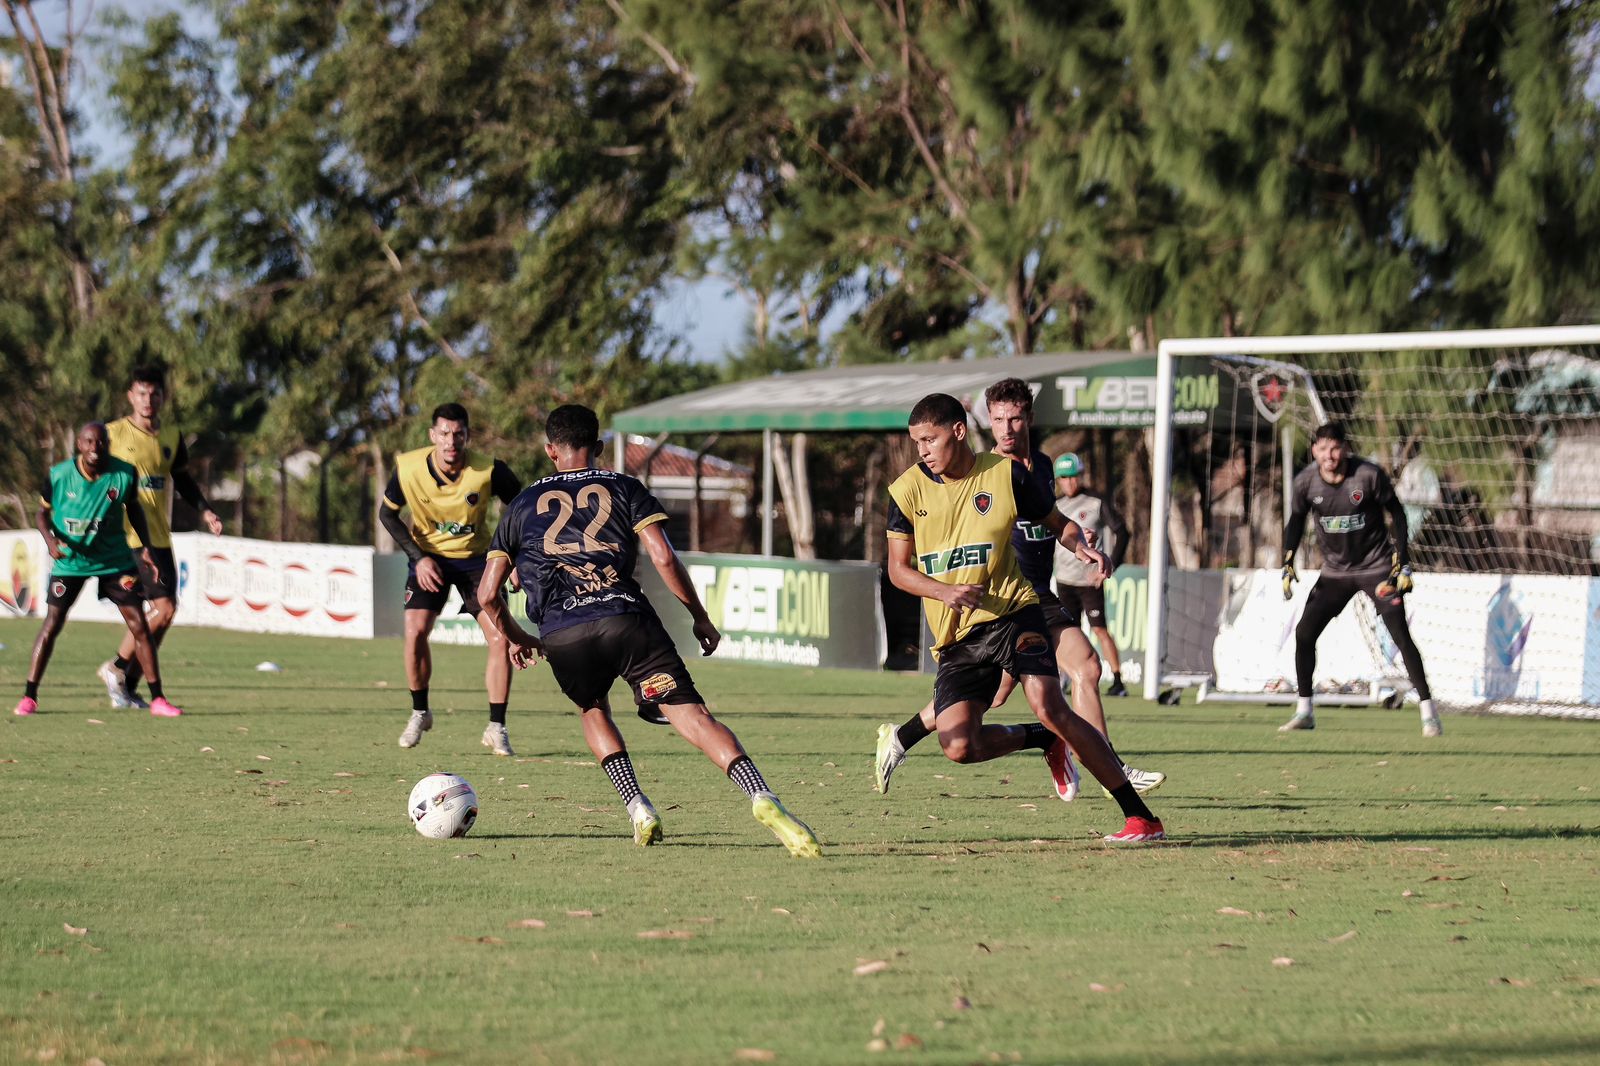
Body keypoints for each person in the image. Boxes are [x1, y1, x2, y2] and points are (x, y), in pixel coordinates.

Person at [476, 404, 821, 857]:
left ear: (550, 450)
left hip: (564, 632)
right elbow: (662, 557)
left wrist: (519, 638)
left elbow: (487, 594)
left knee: (592, 709)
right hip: (626, 621)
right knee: (692, 715)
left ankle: (637, 805)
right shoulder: (625, 487)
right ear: (599, 447)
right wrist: (698, 615)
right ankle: (761, 794)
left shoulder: (521, 505)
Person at [881, 392, 1166, 844]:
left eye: (930, 439)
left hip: (1015, 611)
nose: (923, 451)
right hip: (958, 634)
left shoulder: (1006, 475)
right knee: (959, 746)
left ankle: (1141, 818)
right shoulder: (906, 491)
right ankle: (1042, 739)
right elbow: (898, 570)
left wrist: (1081, 547)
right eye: (917, 441)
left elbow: (1057, 522)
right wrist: (944, 591)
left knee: (1051, 703)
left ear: (958, 431)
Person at [1279, 421, 1441, 737]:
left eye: (1335, 448)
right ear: (1314, 451)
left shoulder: (1367, 475)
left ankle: (1429, 713)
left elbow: (1397, 513)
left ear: (1345, 449)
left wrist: (1403, 562)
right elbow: (1296, 520)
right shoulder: (1306, 482)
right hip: (1335, 573)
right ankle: (1304, 711)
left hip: (1376, 569)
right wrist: (1287, 560)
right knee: (1304, 634)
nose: (1329, 456)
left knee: (1400, 635)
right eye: (1323, 449)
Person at [380, 403, 523, 754]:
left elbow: (522, 509)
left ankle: (497, 726)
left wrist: (514, 557)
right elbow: (387, 514)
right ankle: (420, 712)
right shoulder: (408, 467)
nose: (451, 441)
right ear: (433, 435)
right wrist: (418, 558)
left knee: (500, 637)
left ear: (468, 436)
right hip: (429, 560)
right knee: (415, 631)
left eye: (458, 434)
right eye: (444, 433)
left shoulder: (489, 469)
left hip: (477, 560)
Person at [16, 423, 184, 718]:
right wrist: (50, 541)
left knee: (139, 625)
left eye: (101, 442)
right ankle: (29, 696)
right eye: (89, 442)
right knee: (52, 624)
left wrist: (146, 547)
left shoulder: (124, 474)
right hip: (72, 562)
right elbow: (42, 513)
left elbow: (135, 510)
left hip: (114, 562)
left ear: (108, 444)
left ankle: (158, 699)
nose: (95, 448)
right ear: (79, 445)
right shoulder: (59, 475)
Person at [96, 364, 224, 709]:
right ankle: (116, 667)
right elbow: (90, 476)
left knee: (165, 614)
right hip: (126, 537)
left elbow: (182, 479)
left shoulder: (171, 436)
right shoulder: (112, 434)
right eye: (141, 393)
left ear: (163, 398)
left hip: (159, 537)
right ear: (130, 396)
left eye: (154, 394)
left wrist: (206, 510)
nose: (148, 400)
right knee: (161, 609)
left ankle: (127, 685)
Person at [1052, 452, 1132, 697]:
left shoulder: (1096, 502)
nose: (1069, 482)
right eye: (1064, 478)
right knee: (1067, 633)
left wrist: (1109, 566)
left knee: (1099, 629)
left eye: (1073, 476)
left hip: (1089, 581)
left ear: (1081, 475)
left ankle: (1117, 680)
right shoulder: (1055, 505)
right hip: (1064, 580)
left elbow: (1122, 532)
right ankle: (1066, 678)